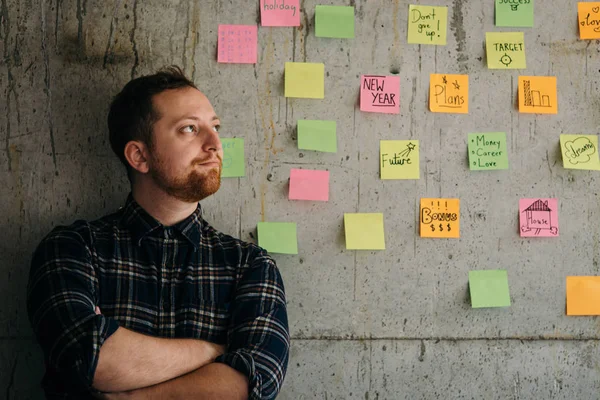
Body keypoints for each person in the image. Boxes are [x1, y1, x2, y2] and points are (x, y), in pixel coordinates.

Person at [26, 66, 290, 399]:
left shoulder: (250, 266)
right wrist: (211, 352)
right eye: (190, 129)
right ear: (139, 155)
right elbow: (91, 360)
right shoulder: (72, 249)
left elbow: (252, 383)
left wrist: (135, 396)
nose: (215, 144)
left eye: (216, 126)